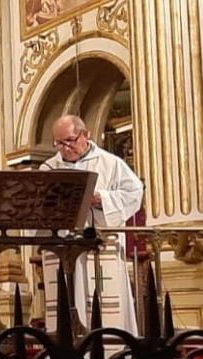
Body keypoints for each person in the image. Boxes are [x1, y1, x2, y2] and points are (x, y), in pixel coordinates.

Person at [40, 115, 143, 335]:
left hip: (100, 248)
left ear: (85, 135)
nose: (65, 148)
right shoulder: (48, 168)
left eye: (70, 141)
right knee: (67, 307)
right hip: (65, 252)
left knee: (104, 311)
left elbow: (135, 193)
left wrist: (101, 199)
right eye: (59, 143)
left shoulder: (110, 163)